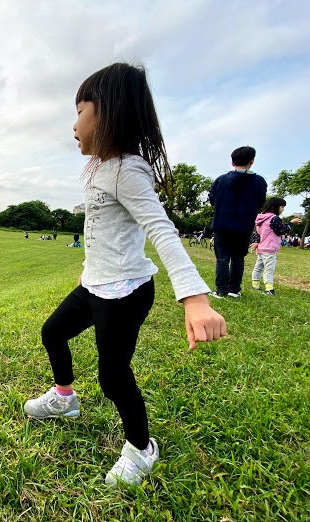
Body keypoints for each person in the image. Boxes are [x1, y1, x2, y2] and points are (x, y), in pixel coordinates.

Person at [23, 63, 227, 488]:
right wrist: (86, 271)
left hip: (125, 292)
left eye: (80, 110)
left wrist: (194, 297)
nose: (74, 124)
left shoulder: (127, 169)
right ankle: (65, 399)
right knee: (52, 332)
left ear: (107, 113)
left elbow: (161, 230)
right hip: (95, 284)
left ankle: (141, 448)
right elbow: (100, 232)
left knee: (114, 377)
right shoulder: (100, 167)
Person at [208, 146, 267, 298]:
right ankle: (234, 289)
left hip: (222, 224)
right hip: (244, 226)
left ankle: (221, 290)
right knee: (238, 257)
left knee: (222, 257)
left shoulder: (221, 180)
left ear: (232, 162)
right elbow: (261, 202)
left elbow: (212, 199)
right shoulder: (259, 182)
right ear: (252, 161)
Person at [250, 197, 301, 295]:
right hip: (270, 248)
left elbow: (257, 233)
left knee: (258, 267)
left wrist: (257, 242)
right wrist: (291, 223)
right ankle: (269, 289)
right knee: (269, 269)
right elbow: (280, 230)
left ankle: (255, 284)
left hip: (261, 248)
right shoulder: (274, 218)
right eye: (282, 207)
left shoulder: (260, 218)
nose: (283, 209)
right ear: (275, 207)